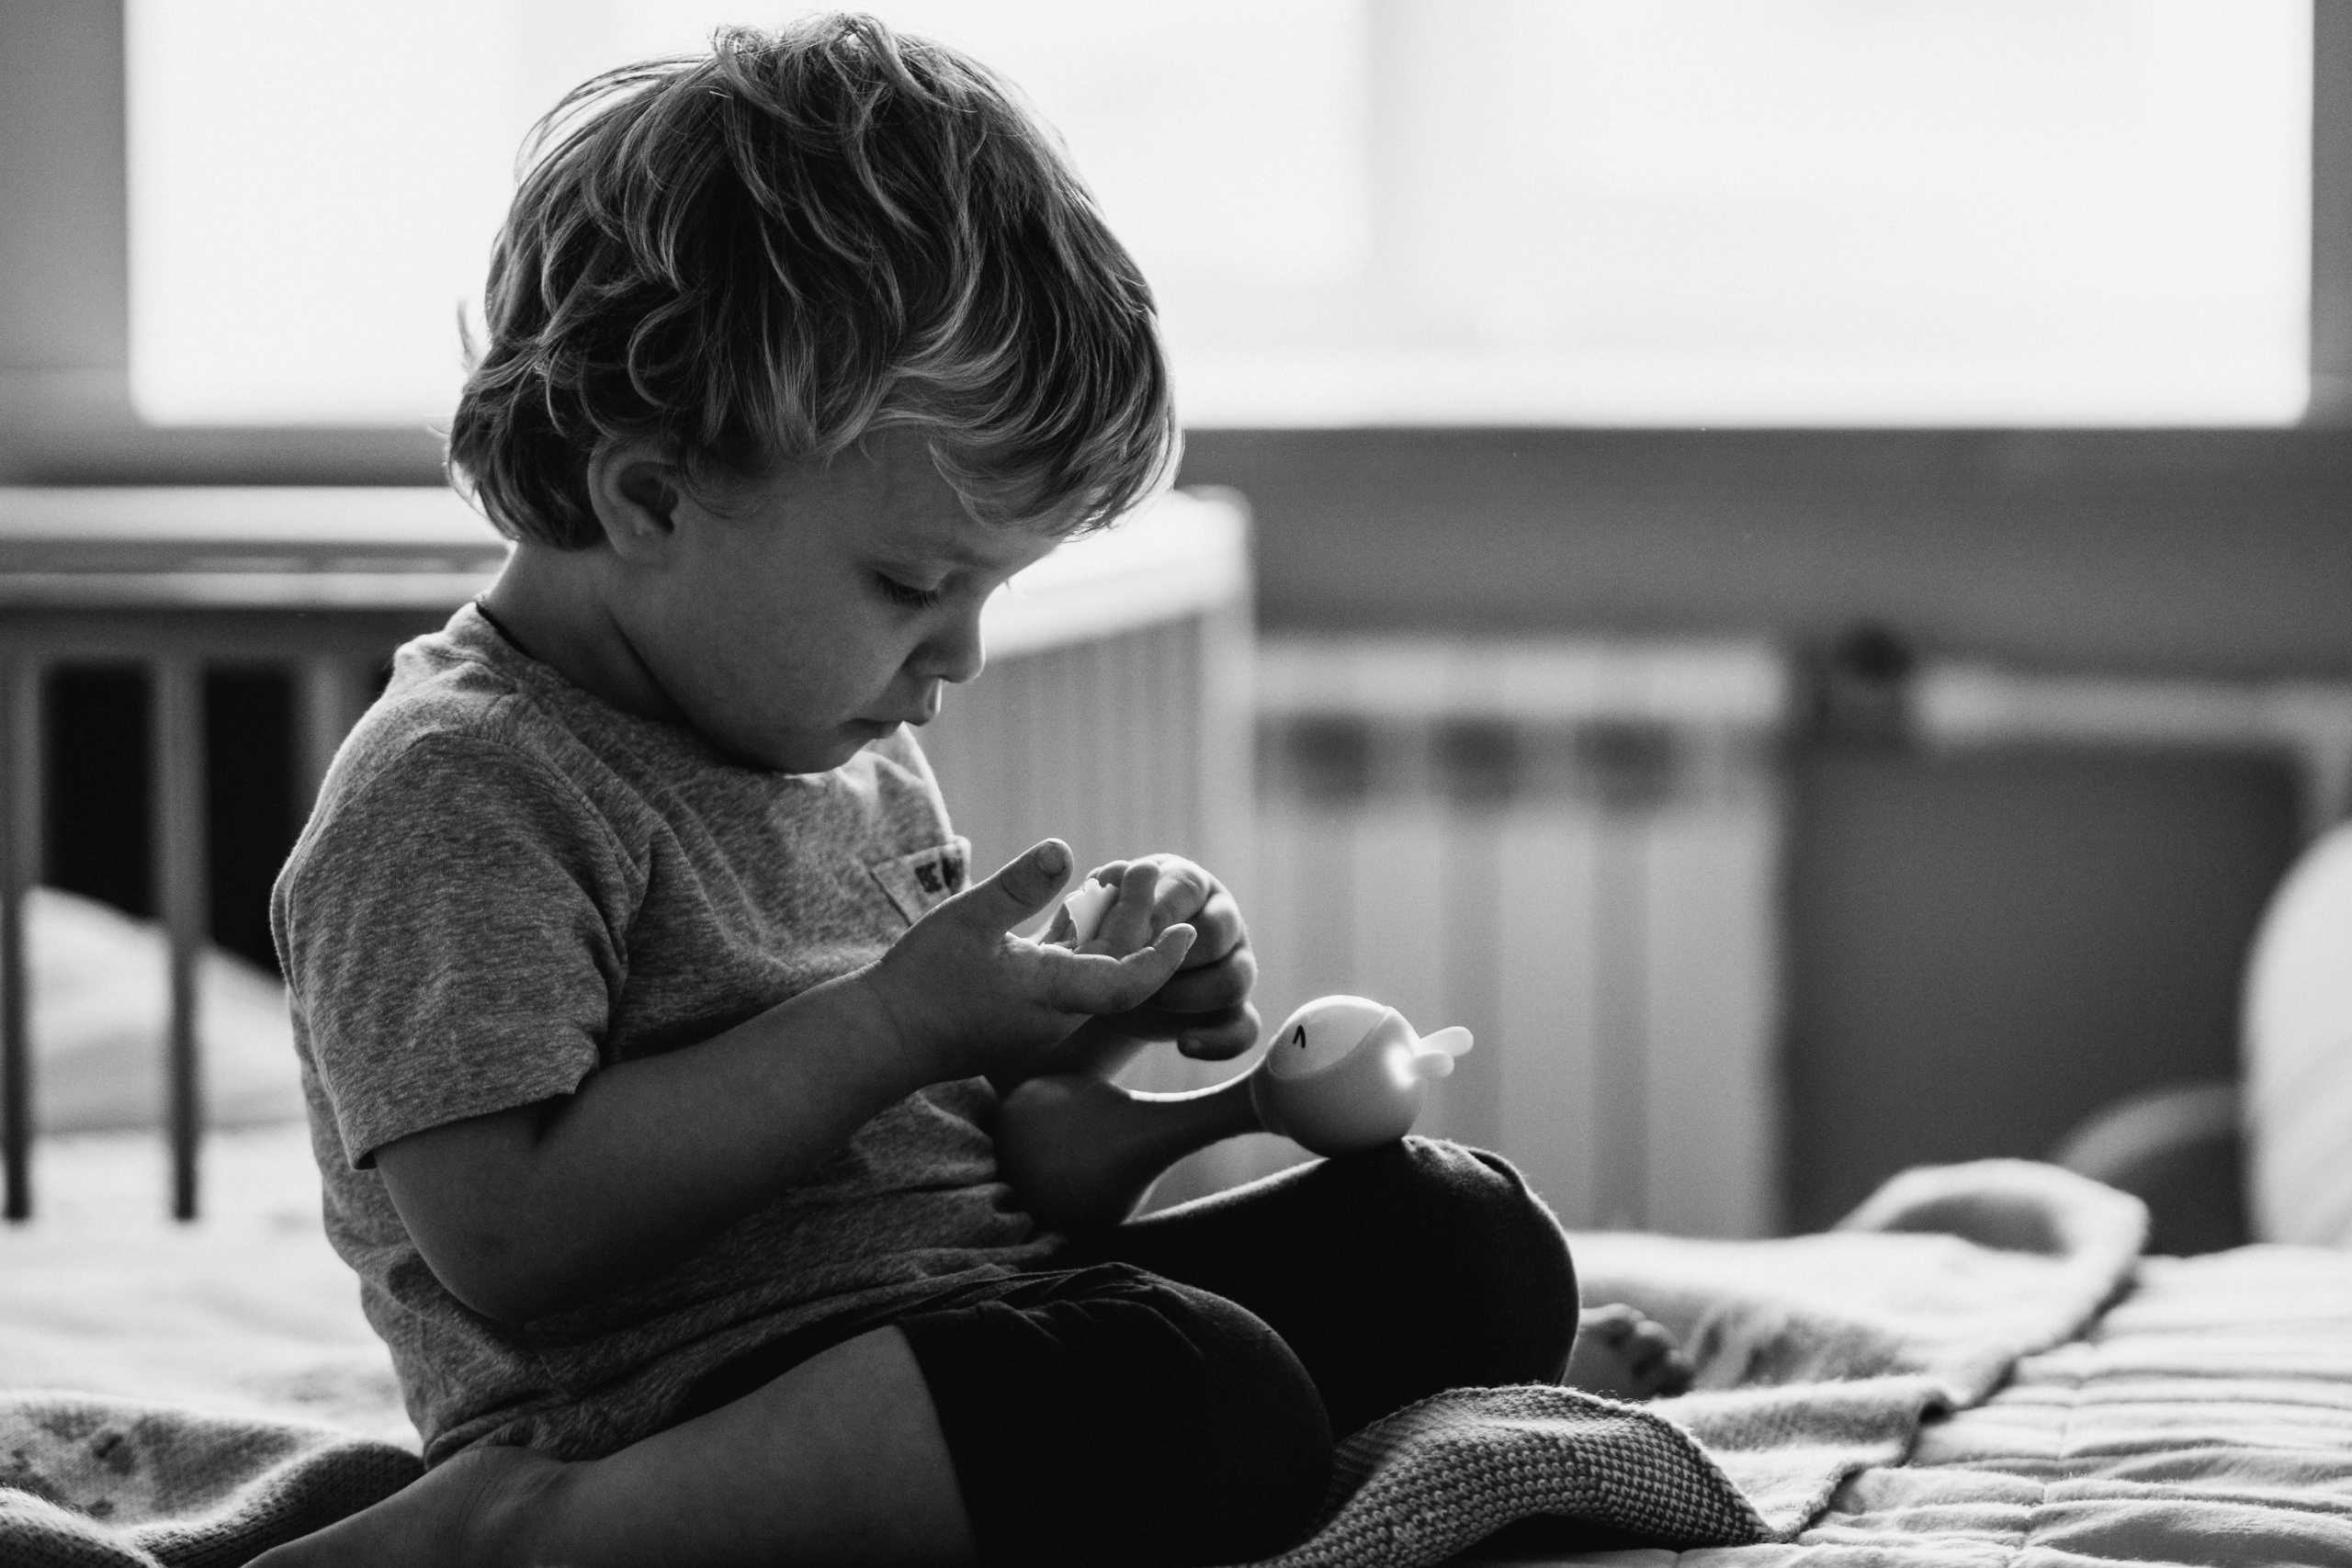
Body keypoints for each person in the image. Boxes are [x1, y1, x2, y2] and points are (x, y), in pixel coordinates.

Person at [257, 17, 1681, 1568]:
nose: (962, 654)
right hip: (685, 1411)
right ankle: (530, 1536)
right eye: (909, 584)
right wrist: (887, 1024)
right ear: (651, 491)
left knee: (1462, 1243)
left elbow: (1014, 1180)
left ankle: (1275, 1401)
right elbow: (509, 1242)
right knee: (1193, 1398)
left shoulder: (838, 741)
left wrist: (1107, 1040)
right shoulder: (462, 786)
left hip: (968, 1324)